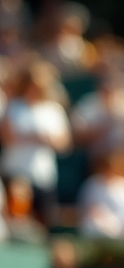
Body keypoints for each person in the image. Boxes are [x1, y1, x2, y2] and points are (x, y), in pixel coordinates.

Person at [0, 61, 71, 225]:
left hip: (43, 175)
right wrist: (33, 137)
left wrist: (48, 139)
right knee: (17, 219)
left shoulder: (53, 110)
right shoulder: (13, 106)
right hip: (15, 171)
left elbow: (65, 144)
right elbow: (6, 138)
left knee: (46, 221)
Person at [70, 69, 124, 160]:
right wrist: (99, 128)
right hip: (96, 157)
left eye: (114, 85)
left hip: (123, 156)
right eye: (106, 86)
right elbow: (77, 135)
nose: (109, 89)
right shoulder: (87, 104)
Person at [78, 151, 124, 239]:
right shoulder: (91, 185)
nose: (109, 171)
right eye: (106, 167)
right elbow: (84, 210)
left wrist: (112, 221)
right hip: (94, 229)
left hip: (120, 232)